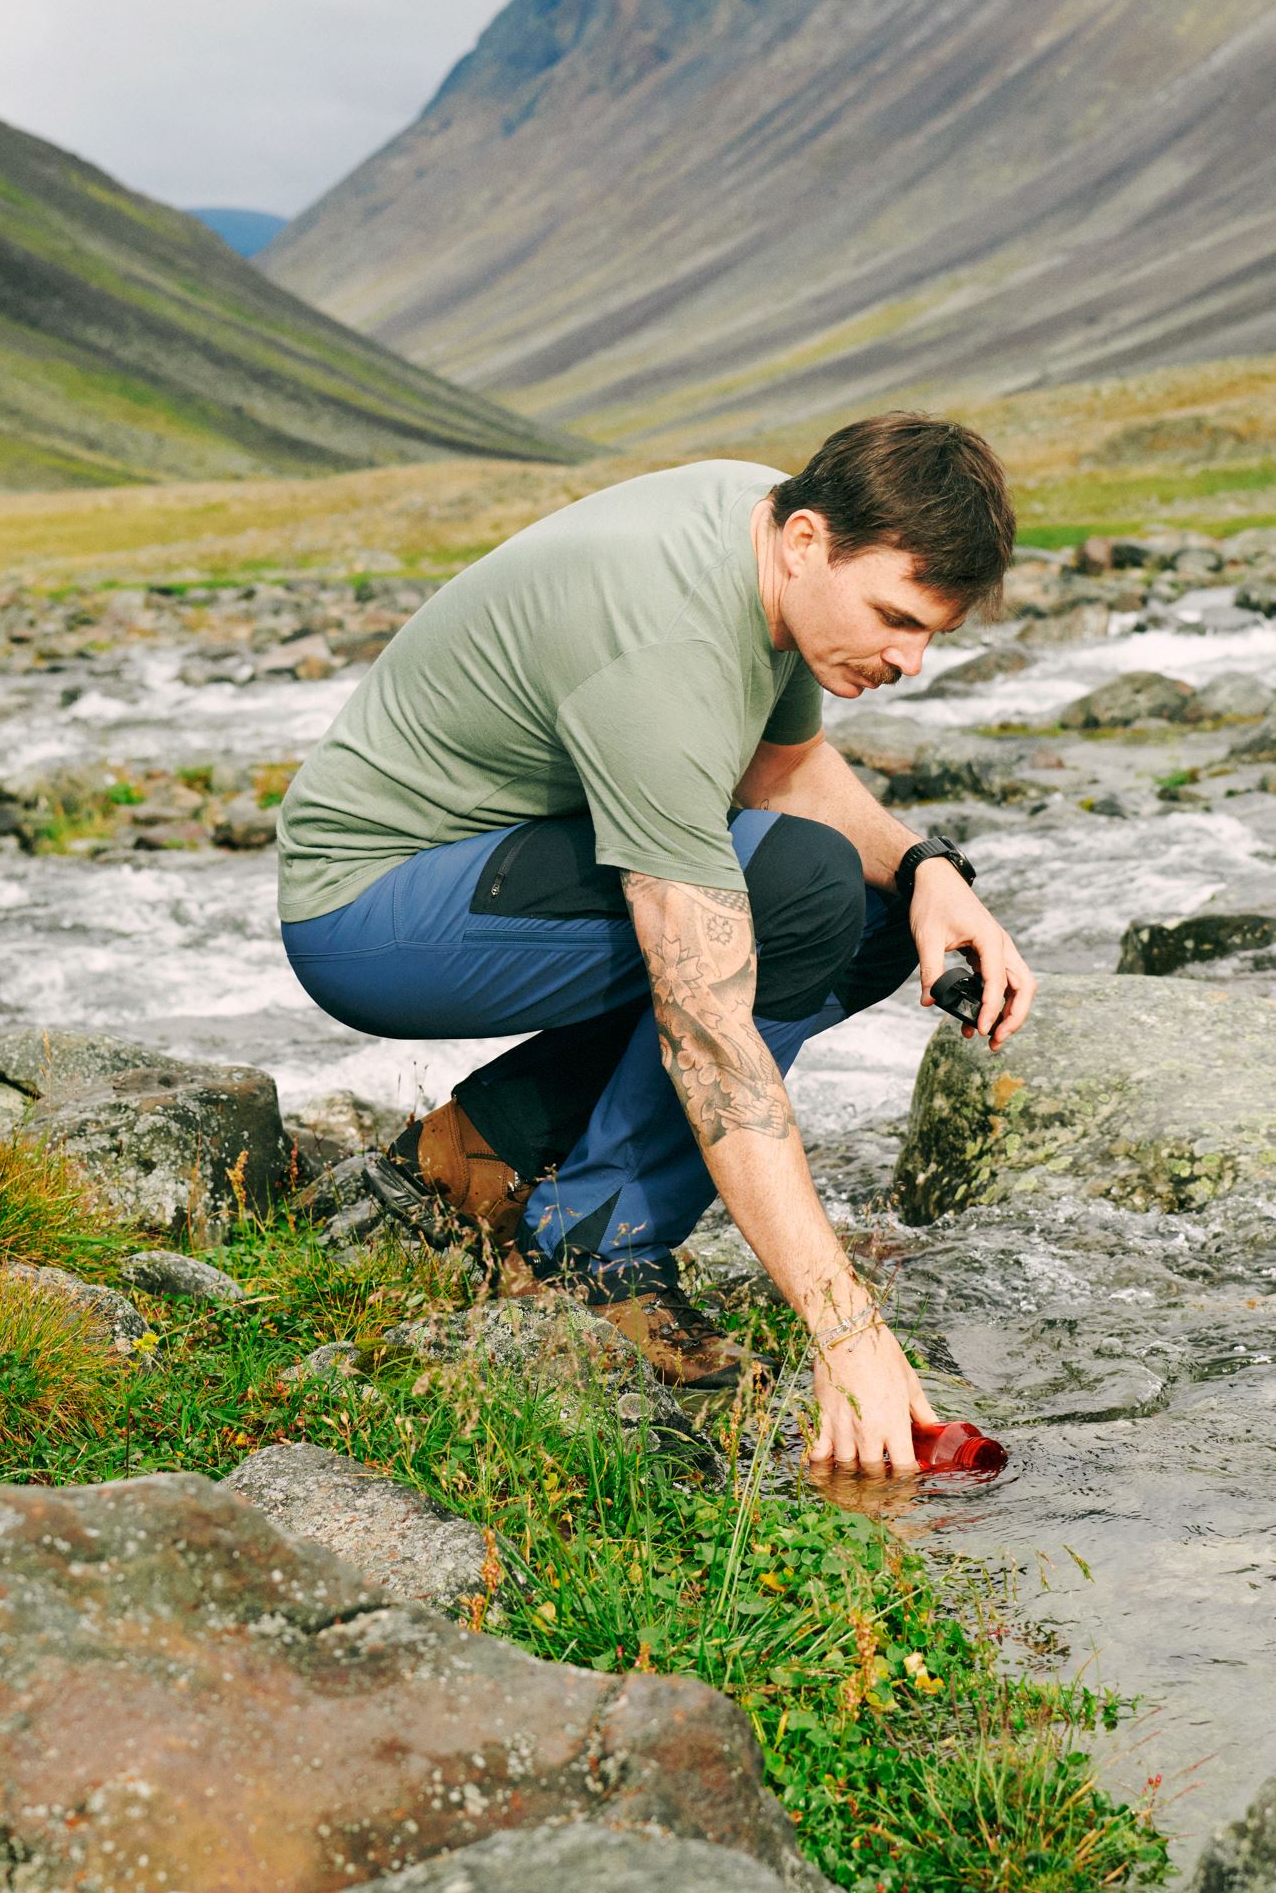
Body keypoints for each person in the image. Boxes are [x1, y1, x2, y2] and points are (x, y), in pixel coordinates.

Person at [277, 412, 1035, 1472]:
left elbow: (780, 771)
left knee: (869, 918)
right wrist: (842, 1323)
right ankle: (598, 1243)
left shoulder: (765, 526)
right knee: (800, 894)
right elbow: (706, 1025)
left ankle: (484, 1146)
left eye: (929, 635)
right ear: (809, 540)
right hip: (372, 910)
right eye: (893, 618)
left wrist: (927, 869)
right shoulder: (668, 638)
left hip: (503, 856)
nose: (908, 659)